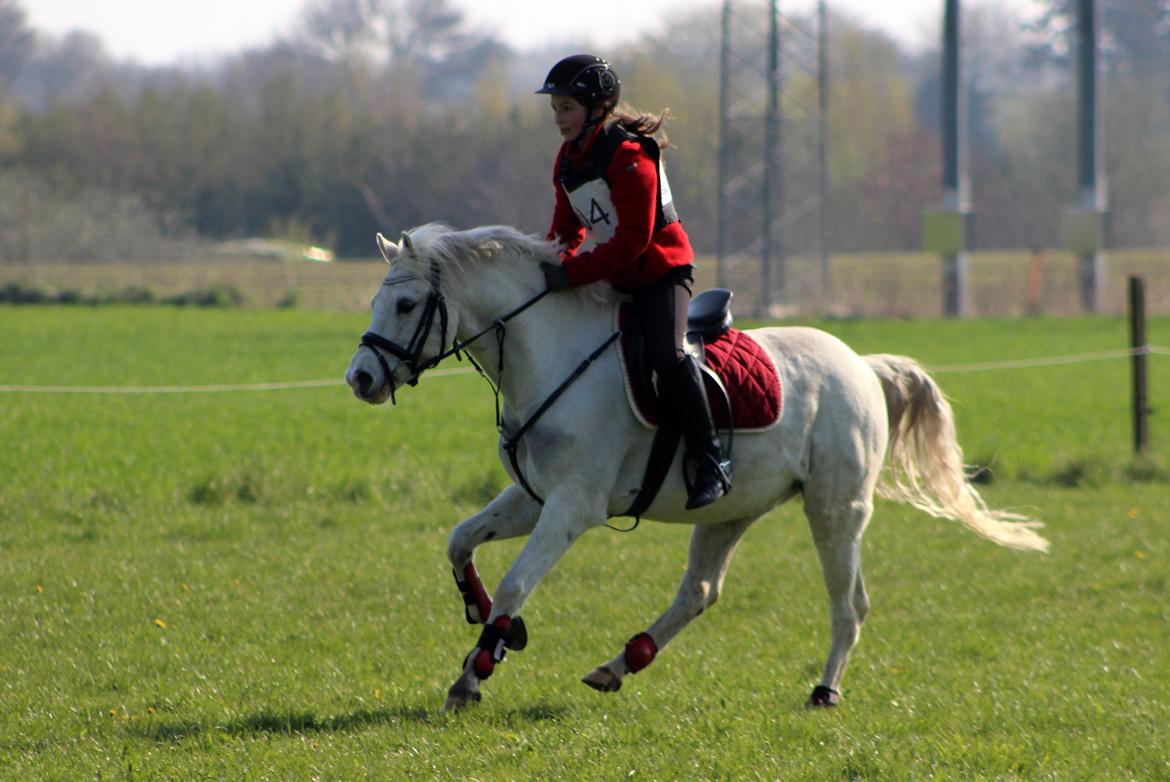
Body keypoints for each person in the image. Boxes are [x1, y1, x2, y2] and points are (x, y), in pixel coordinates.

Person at [536, 54, 732, 510]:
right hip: (619, 275)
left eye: (567, 108)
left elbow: (633, 242)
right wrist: (545, 266)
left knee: (668, 354)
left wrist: (569, 274)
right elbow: (566, 233)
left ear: (597, 108)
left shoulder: (628, 156)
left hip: (663, 271)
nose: (560, 119)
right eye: (555, 110)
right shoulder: (567, 160)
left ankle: (712, 459)